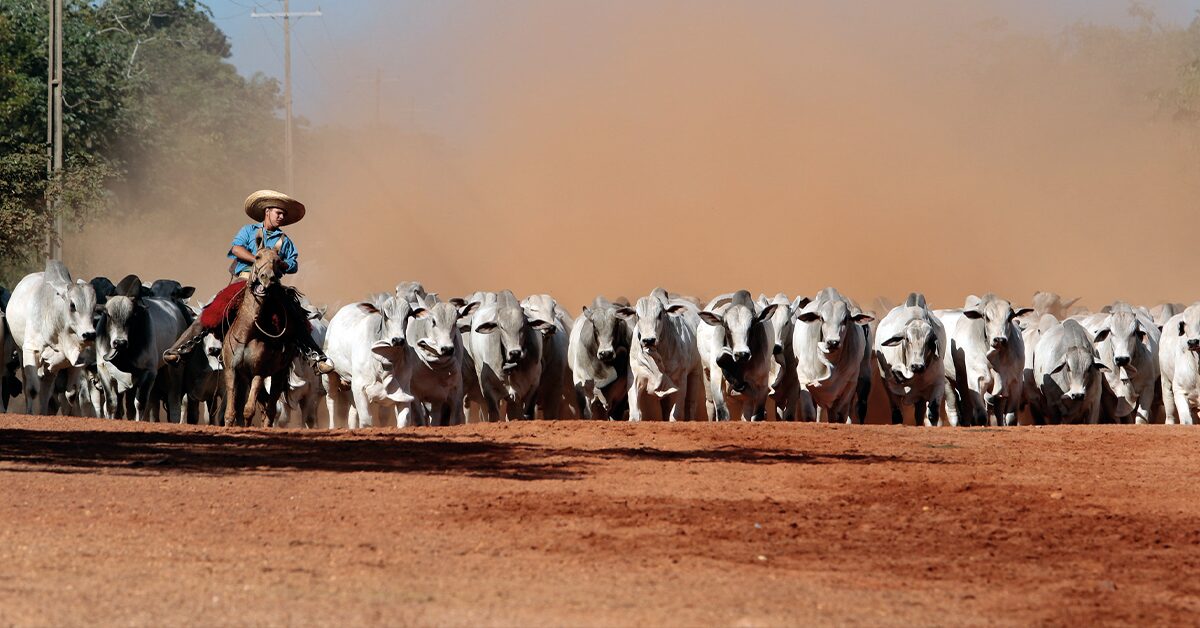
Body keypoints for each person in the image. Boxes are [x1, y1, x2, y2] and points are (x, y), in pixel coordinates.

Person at [163, 190, 334, 373]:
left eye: (284, 214)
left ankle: (315, 356)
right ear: (267, 211)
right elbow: (236, 249)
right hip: (244, 281)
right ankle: (180, 349)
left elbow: (293, 264)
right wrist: (258, 260)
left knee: (296, 316)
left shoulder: (285, 241)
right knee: (211, 312)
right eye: (279, 212)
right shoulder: (248, 230)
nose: (282, 216)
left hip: (273, 285)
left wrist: (277, 263)